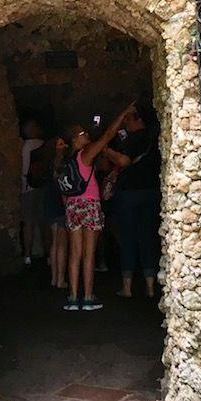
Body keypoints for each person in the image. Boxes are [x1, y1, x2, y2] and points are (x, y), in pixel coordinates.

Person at [60, 103, 135, 312]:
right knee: (89, 253)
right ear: (76, 139)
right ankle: (88, 296)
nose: (86, 135)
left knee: (74, 253)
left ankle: (73, 298)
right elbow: (109, 134)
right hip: (89, 205)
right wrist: (122, 114)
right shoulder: (85, 154)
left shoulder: (67, 158)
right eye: (83, 133)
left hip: (73, 206)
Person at [103, 102, 161, 299]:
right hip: (151, 192)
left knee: (128, 238)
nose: (125, 121)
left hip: (130, 194)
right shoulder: (155, 139)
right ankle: (151, 286)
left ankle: (127, 287)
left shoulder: (133, 139)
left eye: (128, 117)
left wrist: (104, 148)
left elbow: (124, 161)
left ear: (139, 120)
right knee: (147, 238)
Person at [19, 119, 48, 265]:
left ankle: (28, 255)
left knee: (28, 221)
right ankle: (47, 253)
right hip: (43, 185)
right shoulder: (44, 144)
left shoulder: (27, 146)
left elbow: (24, 169)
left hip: (29, 187)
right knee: (43, 221)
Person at [44, 137, 68, 289]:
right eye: (60, 144)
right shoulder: (60, 163)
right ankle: (60, 280)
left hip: (49, 201)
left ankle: (54, 278)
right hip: (60, 202)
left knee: (54, 242)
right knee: (62, 243)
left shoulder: (47, 162)